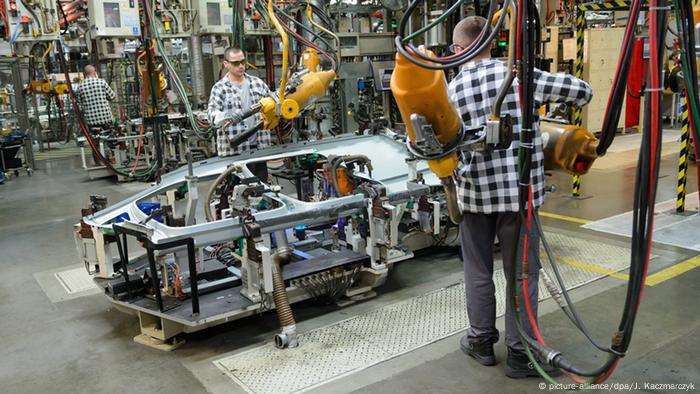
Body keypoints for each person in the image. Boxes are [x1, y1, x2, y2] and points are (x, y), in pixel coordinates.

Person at [447, 16, 593, 378]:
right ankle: (520, 353)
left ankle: (480, 341)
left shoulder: (451, 90)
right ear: (492, 43)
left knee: (477, 270)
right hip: (519, 196)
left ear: (456, 51)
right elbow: (583, 91)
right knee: (522, 275)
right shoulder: (519, 76)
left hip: (473, 196)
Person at [208, 47, 272, 181]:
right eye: (236, 63)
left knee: (262, 191)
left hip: (259, 149)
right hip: (235, 154)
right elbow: (211, 116)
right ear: (226, 64)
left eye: (243, 62)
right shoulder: (220, 88)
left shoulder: (257, 83)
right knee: (238, 195)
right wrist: (228, 116)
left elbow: (273, 103)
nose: (241, 66)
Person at [75, 65, 115, 165]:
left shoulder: (80, 86)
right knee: (110, 139)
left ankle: (98, 162)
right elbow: (112, 96)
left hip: (92, 120)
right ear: (94, 72)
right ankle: (112, 159)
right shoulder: (101, 82)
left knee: (95, 142)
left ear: (85, 74)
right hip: (106, 118)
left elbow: (78, 104)